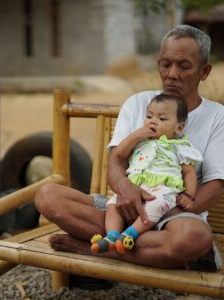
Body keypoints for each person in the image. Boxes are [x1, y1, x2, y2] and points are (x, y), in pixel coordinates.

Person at [35, 24, 224, 271]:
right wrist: (126, 192)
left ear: (204, 71)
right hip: (124, 206)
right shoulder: (138, 103)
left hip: (172, 216)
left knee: (195, 238)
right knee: (47, 196)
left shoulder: (217, 116)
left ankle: (95, 249)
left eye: (184, 66)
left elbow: (214, 185)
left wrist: (162, 210)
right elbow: (115, 161)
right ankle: (146, 248)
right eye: (166, 64)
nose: (172, 74)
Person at [90, 93, 203, 254]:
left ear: (178, 128)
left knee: (156, 205)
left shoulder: (181, 146)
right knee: (113, 204)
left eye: (162, 119)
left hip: (163, 189)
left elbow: (189, 173)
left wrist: (189, 195)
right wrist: (135, 136)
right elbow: (118, 154)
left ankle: (130, 234)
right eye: (149, 116)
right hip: (134, 188)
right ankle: (112, 236)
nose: (153, 121)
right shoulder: (140, 142)